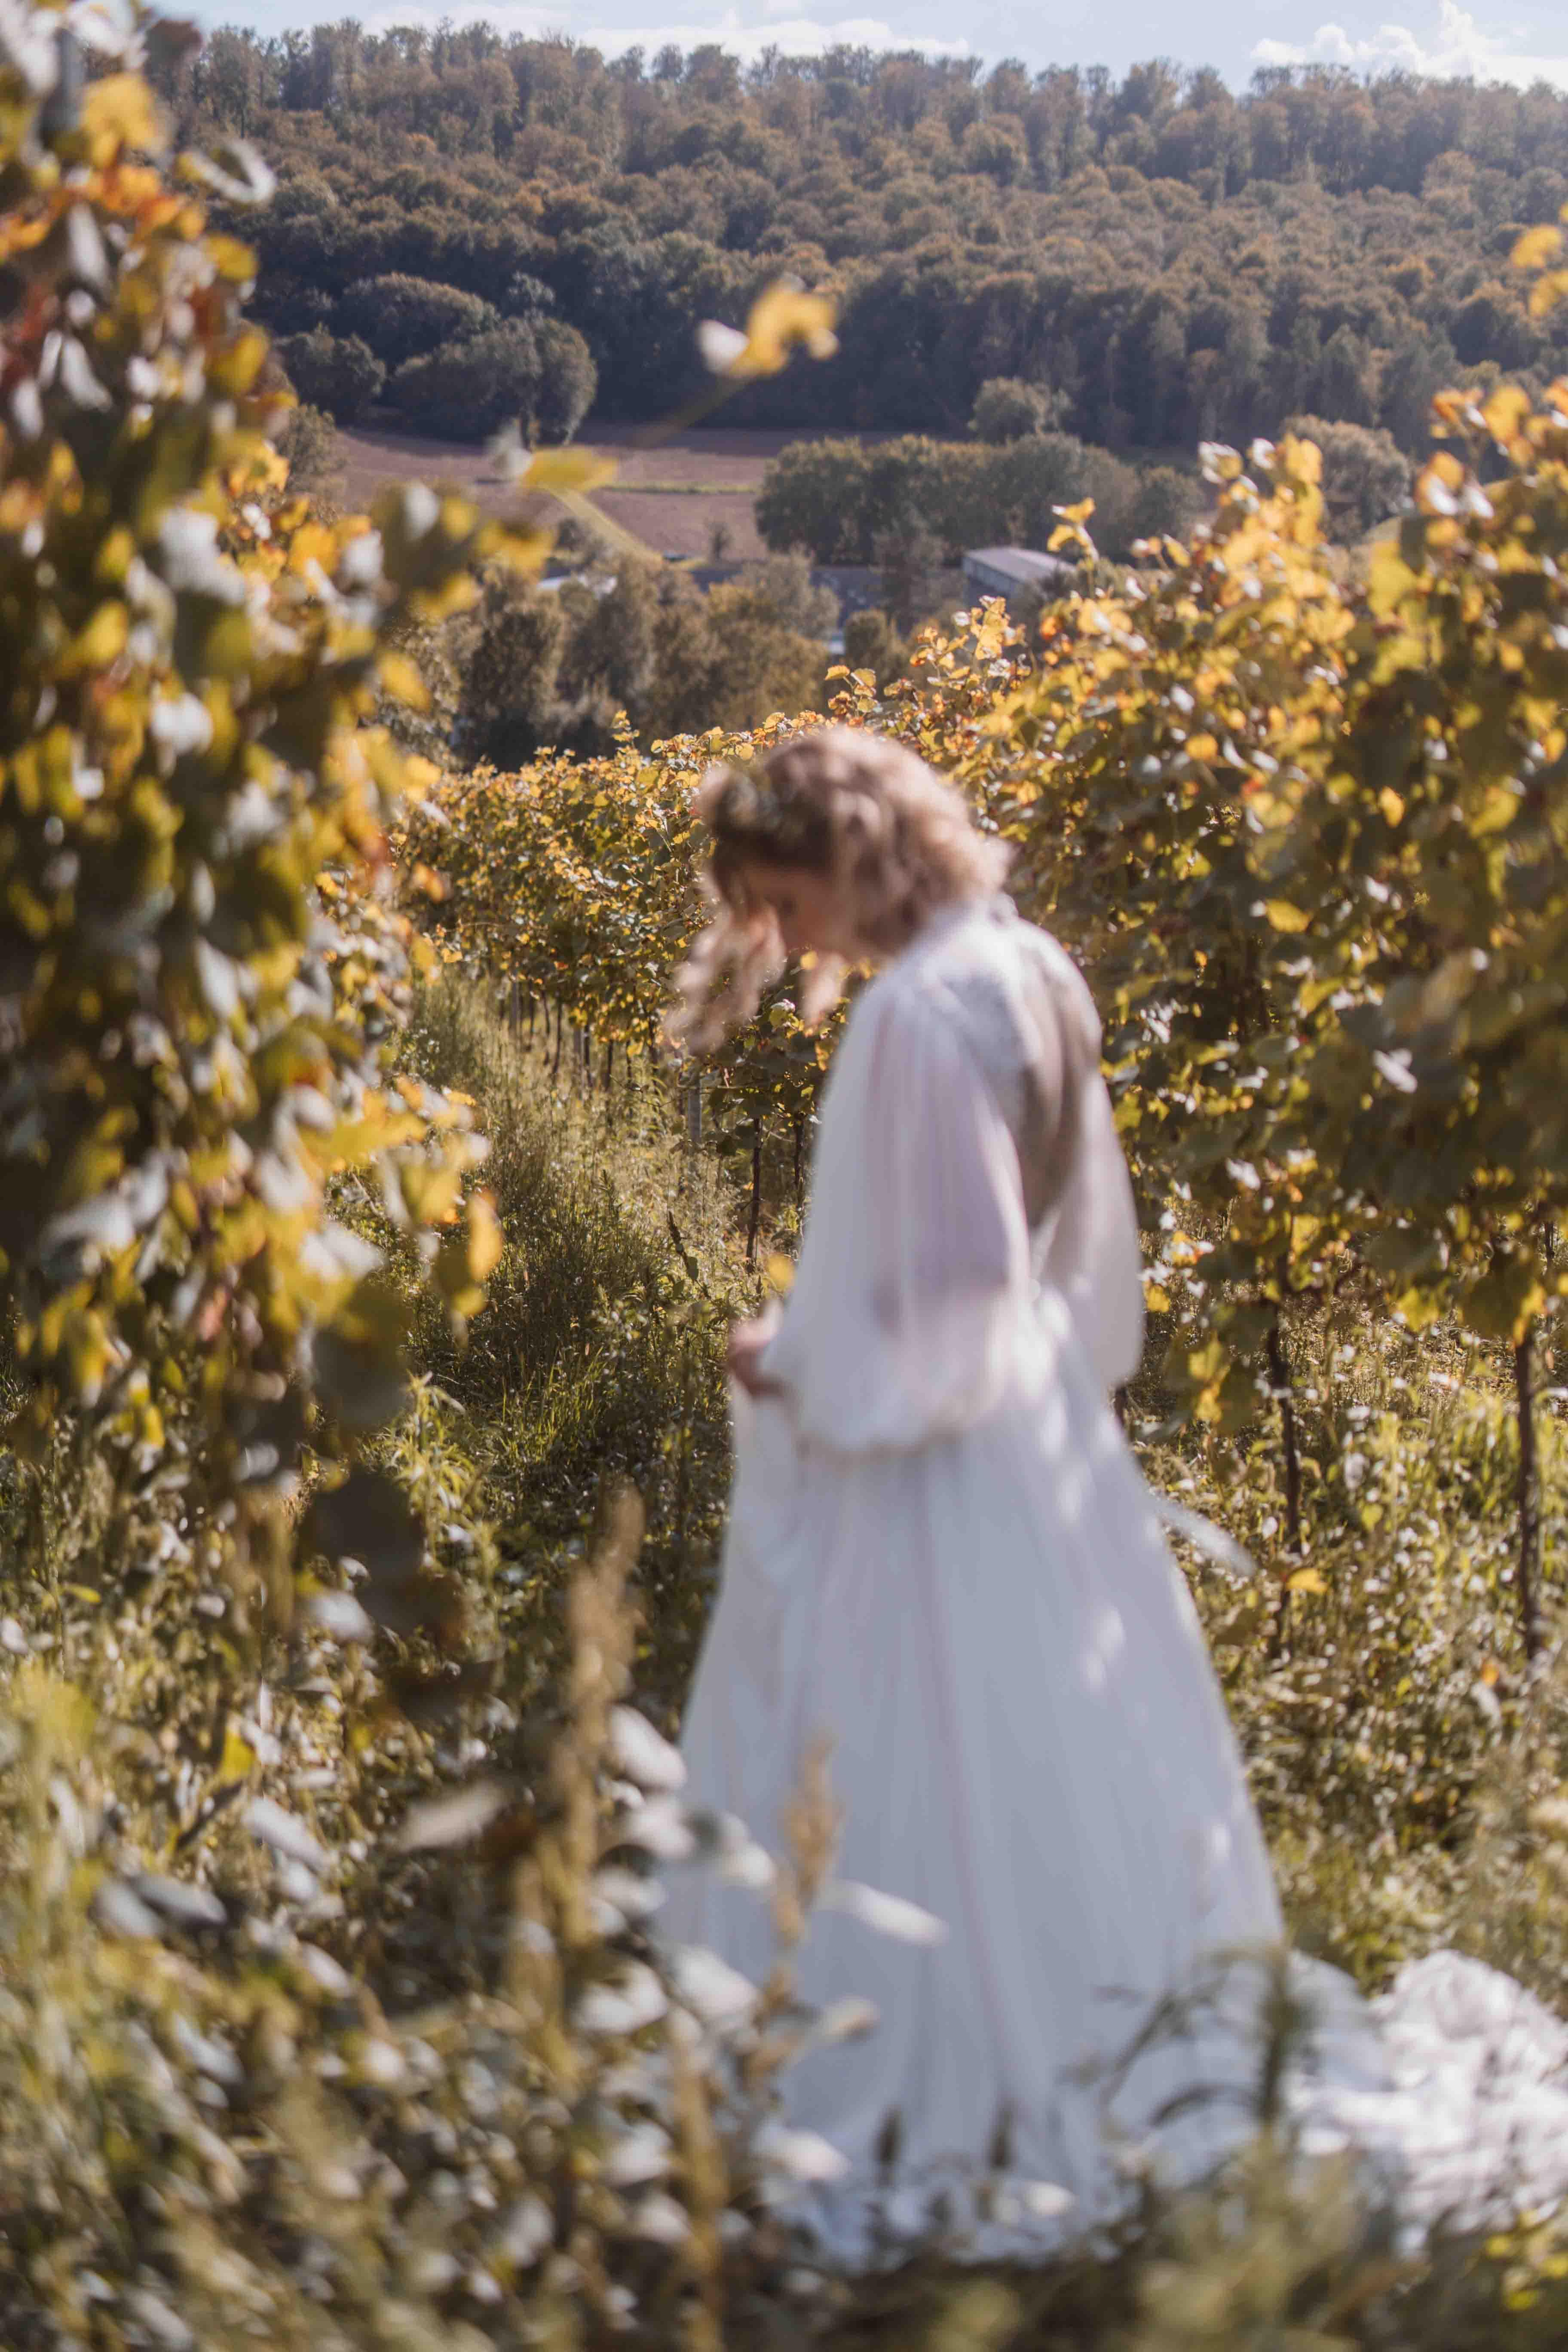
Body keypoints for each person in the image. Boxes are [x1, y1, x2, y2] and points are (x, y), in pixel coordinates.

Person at [655, 726, 1568, 2259]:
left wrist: (794, 1357)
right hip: (1044, 1462)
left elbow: (955, 1300)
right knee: (1051, 1772)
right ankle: (1091, 2034)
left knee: (916, 1772)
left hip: (938, 1477)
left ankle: (971, 2094)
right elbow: (1066, 1282)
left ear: (840, 861)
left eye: (784, 904)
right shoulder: (1030, 969)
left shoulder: (923, 1021)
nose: (786, 943)